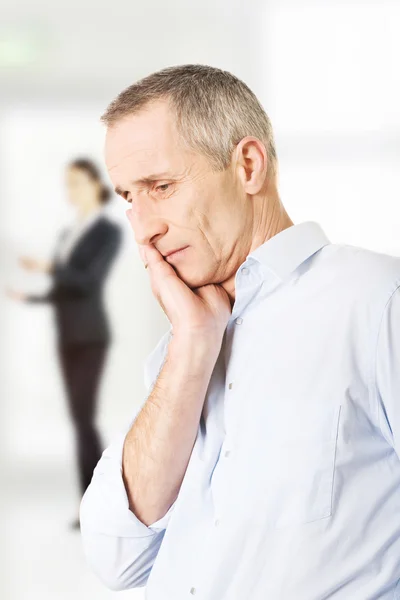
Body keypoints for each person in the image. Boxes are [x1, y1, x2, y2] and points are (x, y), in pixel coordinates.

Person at [79, 65, 400, 598]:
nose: (143, 228)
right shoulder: (181, 346)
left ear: (248, 165)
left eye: (161, 186)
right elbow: (117, 558)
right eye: (130, 197)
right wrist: (192, 345)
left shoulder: (376, 299)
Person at [8, 158, 121, 528]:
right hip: (67, 335)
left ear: (93, 184)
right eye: (66, 183)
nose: (70, 190)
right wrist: (31, 299)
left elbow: (88, 281)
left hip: (90, 336)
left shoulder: (108, 231)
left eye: (76, 182)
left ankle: (100, 503)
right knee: (78, 420)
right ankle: (88, 503)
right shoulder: (66, 234)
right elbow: (63, 290)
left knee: (85, 419)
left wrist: (48, 267)